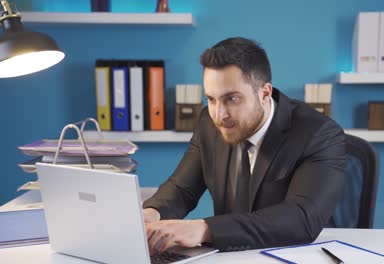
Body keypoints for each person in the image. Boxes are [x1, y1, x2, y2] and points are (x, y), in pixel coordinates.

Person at [142, 37, 346, 254]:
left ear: (265, 93)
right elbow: (182, 189)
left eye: (232, 99)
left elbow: (301, 218)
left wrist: (204, 229)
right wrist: (151, 213)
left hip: (291, 255)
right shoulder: (208, 123)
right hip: (230, 257)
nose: (220, 115)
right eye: (211, 99)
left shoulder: (319, 134)